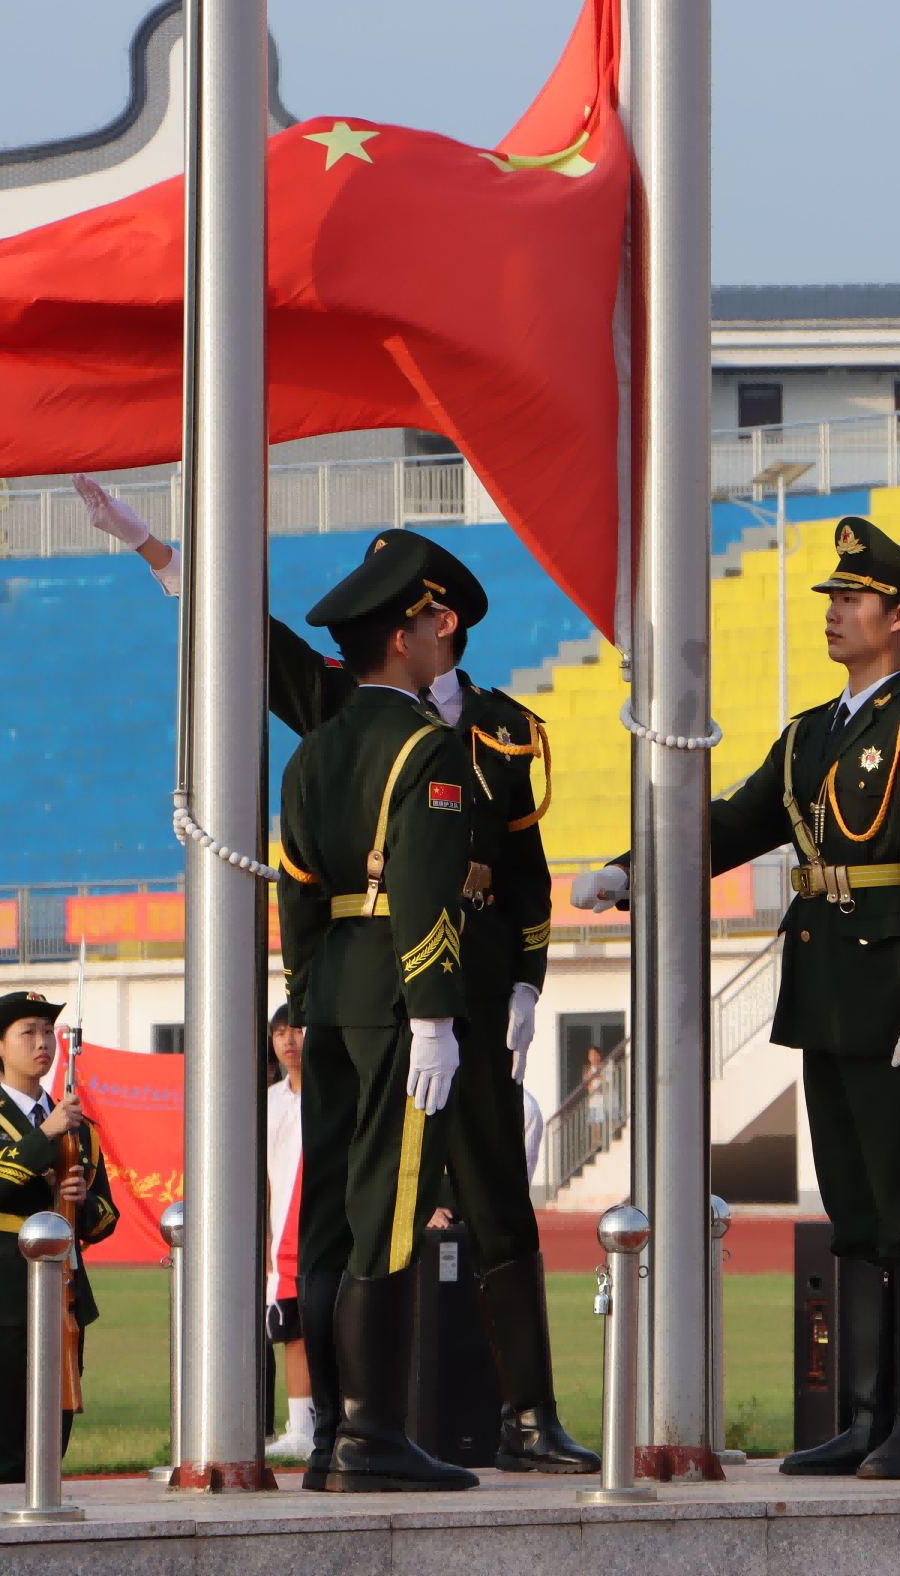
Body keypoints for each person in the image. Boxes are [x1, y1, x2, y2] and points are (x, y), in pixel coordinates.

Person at [81, 483, 593, 1478]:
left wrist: (527, 982)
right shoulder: (349, 706)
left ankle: (529, 1416)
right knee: (367, 1202)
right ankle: (353, 1428)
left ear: (440, 621)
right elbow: (250, 645)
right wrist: (158, 554)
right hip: (400, 993)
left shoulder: (503, 729)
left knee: (499, 1200)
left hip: (473, 989)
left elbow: (525, 876)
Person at [574, 515, 900, 1482]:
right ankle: (865, 1417)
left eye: (852, 598)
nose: (834, 612)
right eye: (832, 598)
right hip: (830, 998)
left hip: (898, 1003)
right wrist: (634, 868)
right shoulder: (809, 735)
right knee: (853, 1212)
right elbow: (732, 824)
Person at [276, 533, 484, 1492]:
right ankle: (373, 1437)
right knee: (390, 1214)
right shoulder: (428, 747)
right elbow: (426, 891)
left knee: (328, 1215)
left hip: (330, 998)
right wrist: (434, 1016)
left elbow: (297, 891)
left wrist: (307, 994)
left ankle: (328, 1439)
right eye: (435, 623)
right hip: (401, 1002)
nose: (447, 636)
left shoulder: (313, 752)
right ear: (402, 640)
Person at [0, 991, 117, 1486]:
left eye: (47, 1032)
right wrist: (45, 1135)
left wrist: (82, 1202)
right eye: (28, 1033)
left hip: (63, 1290)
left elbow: (107, 1217)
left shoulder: (81, 1126)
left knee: (50, 1441)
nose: (43, 1043)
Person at [263, 1004, 313, 1461]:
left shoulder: (332, 1094)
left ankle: (328, 1421)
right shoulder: (270, 1100)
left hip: (319, 1229)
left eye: (295, 1029)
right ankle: (300, 1427)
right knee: (292, 1332)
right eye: (280, 1032)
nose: (288, 1040)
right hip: (282, 1232)